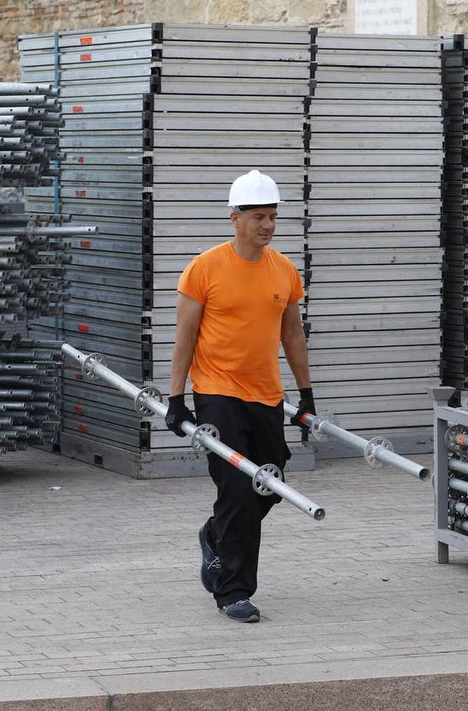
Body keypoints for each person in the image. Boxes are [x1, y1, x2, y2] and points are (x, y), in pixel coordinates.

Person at [163, 169, 317, 623]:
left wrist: (306, 395)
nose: (267, 226)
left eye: (272, 217)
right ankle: (233, 591)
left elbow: (293, 335)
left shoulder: (285, 271)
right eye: (258, 217)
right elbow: (184, 337)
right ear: (235, 218)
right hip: (217, 394)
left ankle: (214, 537)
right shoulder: (203, 269)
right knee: (236, 490)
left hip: (266, 395)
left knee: (269, 483)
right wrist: (176, 399)